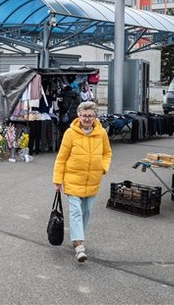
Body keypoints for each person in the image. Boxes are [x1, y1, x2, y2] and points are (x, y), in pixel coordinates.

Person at [52, 101, 112, 263]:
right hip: (73, 179)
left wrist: (103, 167)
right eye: (84, 115)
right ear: (78, 116)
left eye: (90, 116)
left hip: (93, 180)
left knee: (86, 211)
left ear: (95, 117)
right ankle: (79, 245)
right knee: (76, 211)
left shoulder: (101, 133)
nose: (87, 118)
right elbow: (61, 158)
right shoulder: (70, 133)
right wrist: (58, 180)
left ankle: (77, 237)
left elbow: (107, 153)